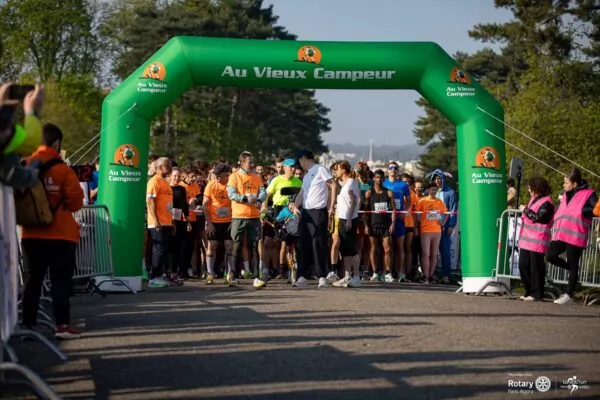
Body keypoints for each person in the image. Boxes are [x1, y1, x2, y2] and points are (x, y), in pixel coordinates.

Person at [21, 123, 84, 339]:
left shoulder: (24, 166)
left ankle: (27, 326)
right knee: (60, 282)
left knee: (32, 281)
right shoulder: (63, 170)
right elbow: (76, 202)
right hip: (61, 234)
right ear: (56, 143)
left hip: (31, 233)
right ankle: (62, 326)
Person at [546, 168, 598, 305]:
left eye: (566, 182)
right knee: (550, 256)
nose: (563, 185)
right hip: (561, 234)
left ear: (574, 184)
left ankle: (568, 295)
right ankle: (572, 270)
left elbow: (595, 209)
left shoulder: (589, 194)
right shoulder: (565, 194)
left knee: (573, 263)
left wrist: (584, 211)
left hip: (576, 235)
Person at [291, 150, 337, 288]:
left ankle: (322, 275)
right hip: (306, 212)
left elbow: (333, 185)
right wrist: (295, 205)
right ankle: (302, 276)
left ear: (304, 158)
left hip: (318, 211)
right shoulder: (306, 176)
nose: (300, 164)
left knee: (318, 243)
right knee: (303, 244)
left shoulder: (320, 169)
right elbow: (301, 194)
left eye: (300, 161)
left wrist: (331, 206)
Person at [227, 151, 266, 288]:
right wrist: (245, 198)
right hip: (239, 216)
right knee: (236, 245)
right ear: (242, 162)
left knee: (254, 246)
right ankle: (232, 276)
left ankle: (256, 277)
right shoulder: (234, 176)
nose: (252, 164)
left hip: (254, 216)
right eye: (250, 162)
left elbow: (263, 192)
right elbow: (231, 194)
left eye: (252, 161)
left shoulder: (256, 176)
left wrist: (259, 200)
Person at [262, 158, 302, 279]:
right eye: (290, 167)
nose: (293, 169)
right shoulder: (276, 180)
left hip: (292, 211)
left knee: (290, 242)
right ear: (284, 168)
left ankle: (289, 269)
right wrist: (264, 207)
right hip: (278, 210)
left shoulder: (298, 182)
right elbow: (266, 195)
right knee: (270, 241)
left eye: (294, 167)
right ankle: (266, 270)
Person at [517, 176, 554, 302]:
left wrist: (525, 210)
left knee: (535, 268)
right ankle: (529, 290)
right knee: (523, 265)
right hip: (527, 240)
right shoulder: (534, 199)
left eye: (530, 188)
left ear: (536, 188)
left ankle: (537, 293)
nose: (528, 190)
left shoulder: (547, 203)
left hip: (537, 240)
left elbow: (539, 218)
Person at [331, 161, 361, 288]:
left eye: (337, 169)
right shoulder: (345, 184)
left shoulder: (351, 183)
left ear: (343, 170)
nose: (335, 172)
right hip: (342, 218)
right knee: (345, 250)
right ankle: (347, 276)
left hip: (349, 219)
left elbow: (353, 201)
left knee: (351, 249)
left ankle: (357, 277)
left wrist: (349, 219)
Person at [425, 169, 458, 283]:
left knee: (445, 251)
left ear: (443, 179)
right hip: (430, 227)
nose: (437, 181)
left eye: (439, 178)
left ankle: (446, 275)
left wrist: (451, 225)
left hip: (444, 227)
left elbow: (453, 210)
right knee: (430, 251)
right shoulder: (428, 192)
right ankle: (431, 274)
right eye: (435, 179)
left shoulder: (450, 192)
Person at [363, 169, 396, 282]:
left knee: (387, 249)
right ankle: (375, 273)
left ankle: (387, 273)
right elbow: (365, 212)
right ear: (374, 179)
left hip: (386, 225)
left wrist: (393, 224)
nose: (379, 180)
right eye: (377, 177)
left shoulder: (389, 193)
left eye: (381, 178)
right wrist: (366, 225)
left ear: (384, 179)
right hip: (373, 225)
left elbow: (393, 210)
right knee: (373, 249)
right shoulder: (369, 193)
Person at [204, 163, 234, 284]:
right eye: (215, 176)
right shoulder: (211, 185)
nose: (216, 178)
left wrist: (234, 221)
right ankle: (210, 273)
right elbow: (205, 205)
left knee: (229, 246)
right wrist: (209, 223)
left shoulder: (232, 185)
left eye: (219, 176)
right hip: (214, 221)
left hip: (229, 221)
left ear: (226, 175)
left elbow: (236, 203)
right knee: (212, 246)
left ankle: (230, 273)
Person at [146, 157, 174, 288]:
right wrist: (156, 220)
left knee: (164, 250)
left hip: (167, 221)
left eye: (170, 165)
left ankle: (161, 275)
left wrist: (172, 222)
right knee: (158, 249)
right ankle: (154, 277)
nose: (169, 167)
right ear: (158, 167)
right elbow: (150, 201)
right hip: (158, 222)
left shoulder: (165, 182)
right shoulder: (154, 181)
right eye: (166, 165)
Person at [382, 161, 411, 282]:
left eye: (395, 168)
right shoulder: (384, 183)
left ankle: (400, 273)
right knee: (387, 248)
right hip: (386, 219)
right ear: (387, 170)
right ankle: (387, 272)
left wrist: (405, 211)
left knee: (400, 247)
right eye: (390, 168)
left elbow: (409, 201)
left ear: (398, 170)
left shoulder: (403, 185)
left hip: (399, 219)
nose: (393, 170)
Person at [415, 182, 449, 283]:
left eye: (435, 190)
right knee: (426, 253)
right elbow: (416, 213)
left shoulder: (439, 201)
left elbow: (446, 213)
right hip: (425, 230)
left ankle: (431, 275)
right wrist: (418, 220)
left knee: (434, 254)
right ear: (428, 190)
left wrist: (443, 222)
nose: (433, 191)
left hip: (437, 230)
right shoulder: (423, 200)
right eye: (431, 190)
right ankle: (425, 275)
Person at [169, 167, 191, 283]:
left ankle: (180, 272)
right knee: (169, 247)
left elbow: (185, 206)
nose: (177, 178)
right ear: (170, 176)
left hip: (179, 220)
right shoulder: (166, 188)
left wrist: (188, 220)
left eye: (179, 176)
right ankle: (168, 271)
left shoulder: (182, 189)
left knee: (180, 247)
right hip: (167, 220)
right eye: (175, 176)